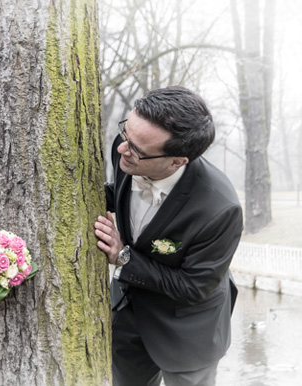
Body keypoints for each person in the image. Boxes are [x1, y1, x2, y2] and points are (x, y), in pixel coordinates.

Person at [94, 86, 243, 386]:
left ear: (177, 161)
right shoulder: (127, 148)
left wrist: (123, 257)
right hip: (127, 312)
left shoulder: (219, 209)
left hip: (187, 331)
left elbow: (193, 286)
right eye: (126, 133)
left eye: (135, 148)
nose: (123, 148)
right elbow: (121, 194)